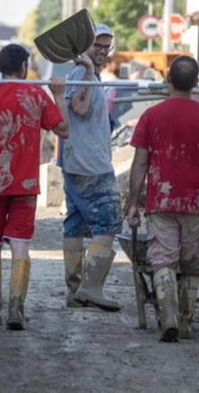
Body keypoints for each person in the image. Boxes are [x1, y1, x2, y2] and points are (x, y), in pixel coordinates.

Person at [0, 44, 69, 330]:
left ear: (1, 67)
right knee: (21, 245)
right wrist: (59, 95)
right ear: (23, 67)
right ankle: (16, 310)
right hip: (26, 183)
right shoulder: (38, 95)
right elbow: (64, 129)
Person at [126, 56, 199, 342]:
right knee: (191, 261)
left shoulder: (151, 116)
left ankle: (168, 318)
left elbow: (139, 163)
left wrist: (132, 204)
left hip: (160, 200)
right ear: (197, 84)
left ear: (168, 81)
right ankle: (185, 323)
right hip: (195, 201)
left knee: (162, 260)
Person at [58, 23, 122, 311]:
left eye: (106, 46)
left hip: (76, 161)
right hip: (90, 165)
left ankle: (75, 291)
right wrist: (85, 72)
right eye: (97, 45)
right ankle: (91, 288)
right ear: (85, 45)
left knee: (74, 224)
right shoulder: (80, 73)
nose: (102, 51)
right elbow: (80, 109)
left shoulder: (91, 74)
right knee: (107, 223)